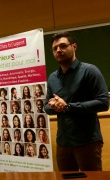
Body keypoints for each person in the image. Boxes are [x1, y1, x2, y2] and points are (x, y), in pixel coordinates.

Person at [44, 32, 109, 171]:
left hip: (87, 141)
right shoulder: (52, 78)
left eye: (62, 46)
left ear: (74, 46)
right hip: (63, 142)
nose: (58, 50)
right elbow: (46, 107)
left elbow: (103, 102)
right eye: (55, 48)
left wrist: (68, 107)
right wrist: (53, 106)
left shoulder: (89, 71)